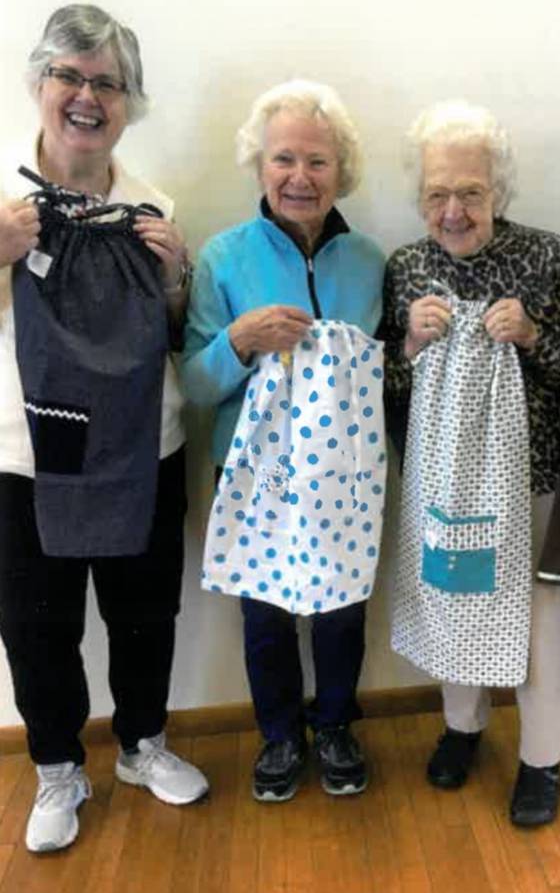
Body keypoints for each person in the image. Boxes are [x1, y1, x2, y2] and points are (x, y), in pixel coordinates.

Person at [0, 4, 208, 855]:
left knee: (145, 610)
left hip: (141, 447)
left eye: (107, 83)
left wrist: (173, 277)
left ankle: (142, 744)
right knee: (36, 621)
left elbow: (174, 335)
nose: (87, 96)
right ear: (39, 85)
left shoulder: (151, 203)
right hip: (25, 457)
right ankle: (56, 766)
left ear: (129, 102)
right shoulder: (4, 202)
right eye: (70, 77)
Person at [381, 101, 560, 826]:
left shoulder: (548, 256)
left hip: (533, 477)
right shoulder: (405, 268)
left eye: (470, 191)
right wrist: (407, 344)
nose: (454, 210)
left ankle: (543, 757)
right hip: (440, 482)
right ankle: (463, 725)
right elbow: (386, 389)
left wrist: (532, 335)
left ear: (498, 190)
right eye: (437, 193)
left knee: (536, 619)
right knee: (452, 596)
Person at [182, 80, 384, 803]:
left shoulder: (368, 261)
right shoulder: (222, 258)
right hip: (254, 471)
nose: (300, 177)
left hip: (343, 475)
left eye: (318, 162)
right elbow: (195, 387)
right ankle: (277, 734)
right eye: (284, 159)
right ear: (259, 166)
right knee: (264, 612)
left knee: (341, 609)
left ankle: (334, 723)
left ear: (342, 170)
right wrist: (238, 342)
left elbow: (384, 373)